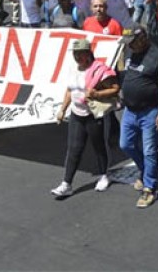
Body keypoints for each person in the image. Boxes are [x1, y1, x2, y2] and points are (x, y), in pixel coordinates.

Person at [51, 38, 120, 198]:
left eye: (80, 53)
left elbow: (115, 89)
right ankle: (66, 183)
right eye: (75, 54)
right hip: (77, 114)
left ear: (88, 53)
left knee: (98, 146)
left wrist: (97, 94)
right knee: (74, 148)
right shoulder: (73, 68)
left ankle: (104, 175)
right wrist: (63, 109)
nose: (77, 57)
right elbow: (69, 90)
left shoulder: (99, 70)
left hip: (93, 115)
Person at [118, 28, 158, 208]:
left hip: (150, 111)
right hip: (130, 110)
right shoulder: (130, 51)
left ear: (143, 38)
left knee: (149, 150)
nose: (130, 45)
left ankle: (149, 188)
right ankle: (146, 170)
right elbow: (126, 74)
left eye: (133, 41)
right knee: (125, 144)